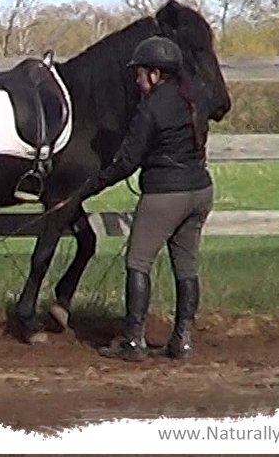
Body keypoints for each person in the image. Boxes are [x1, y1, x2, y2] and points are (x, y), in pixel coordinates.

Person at [76, 36, 215, 362]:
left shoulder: (150, 108)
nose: (137, 81)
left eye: (139, 73)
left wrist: (92, 187)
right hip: (200, 190)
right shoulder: (195, 98)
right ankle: (182, 340)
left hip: (165, 194)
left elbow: (128, 161)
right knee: (186, 266)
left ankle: (133, 340)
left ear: (155, 73)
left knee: (138, 262)